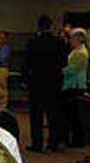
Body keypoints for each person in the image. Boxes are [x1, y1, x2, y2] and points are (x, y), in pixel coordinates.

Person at [25, 15, 64, 153]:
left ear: (39, 26)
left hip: (36, 84)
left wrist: (25, 81)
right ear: (51, 26)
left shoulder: (32, 42)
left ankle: (37, 144)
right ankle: (52, 144)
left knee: (36, 116)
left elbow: (27, 64)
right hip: (54, 84)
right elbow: (63, 63)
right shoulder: (59, 42)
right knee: (53, 115)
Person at [61, 28, 89, 148]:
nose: (70, 41)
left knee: (74, 116)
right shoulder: (77, 51)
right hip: (73, 85)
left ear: (79, 39)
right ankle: (75, 140)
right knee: (72, 115)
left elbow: (71, 70)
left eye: (72, 38)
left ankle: (77, 141)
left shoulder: (80, 53)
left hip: (74, 86)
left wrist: (57, 71)